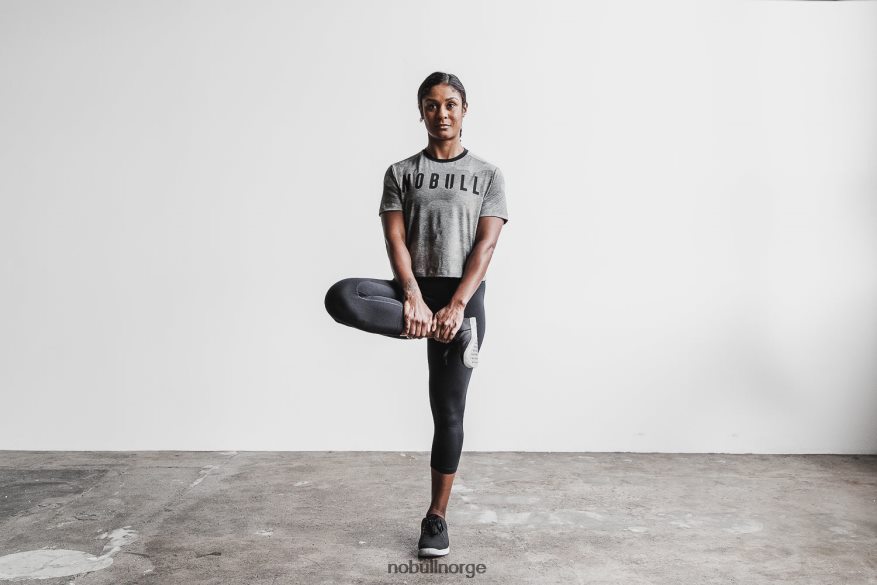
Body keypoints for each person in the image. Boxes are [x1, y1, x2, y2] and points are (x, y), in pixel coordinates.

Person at [323, 71, 508, 558]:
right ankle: (431, 330)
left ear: (464, 110)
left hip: (463, 299)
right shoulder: (400, 172)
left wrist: (456, 305)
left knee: (447, 413)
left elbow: (486, 246)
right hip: (415, 292)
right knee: (342, 296)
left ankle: (436, 517)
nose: (441, 113)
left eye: (450, 104)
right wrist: (413, 296)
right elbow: (395, 238)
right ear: (421, 111)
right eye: (431, 105)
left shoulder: (488, 175)